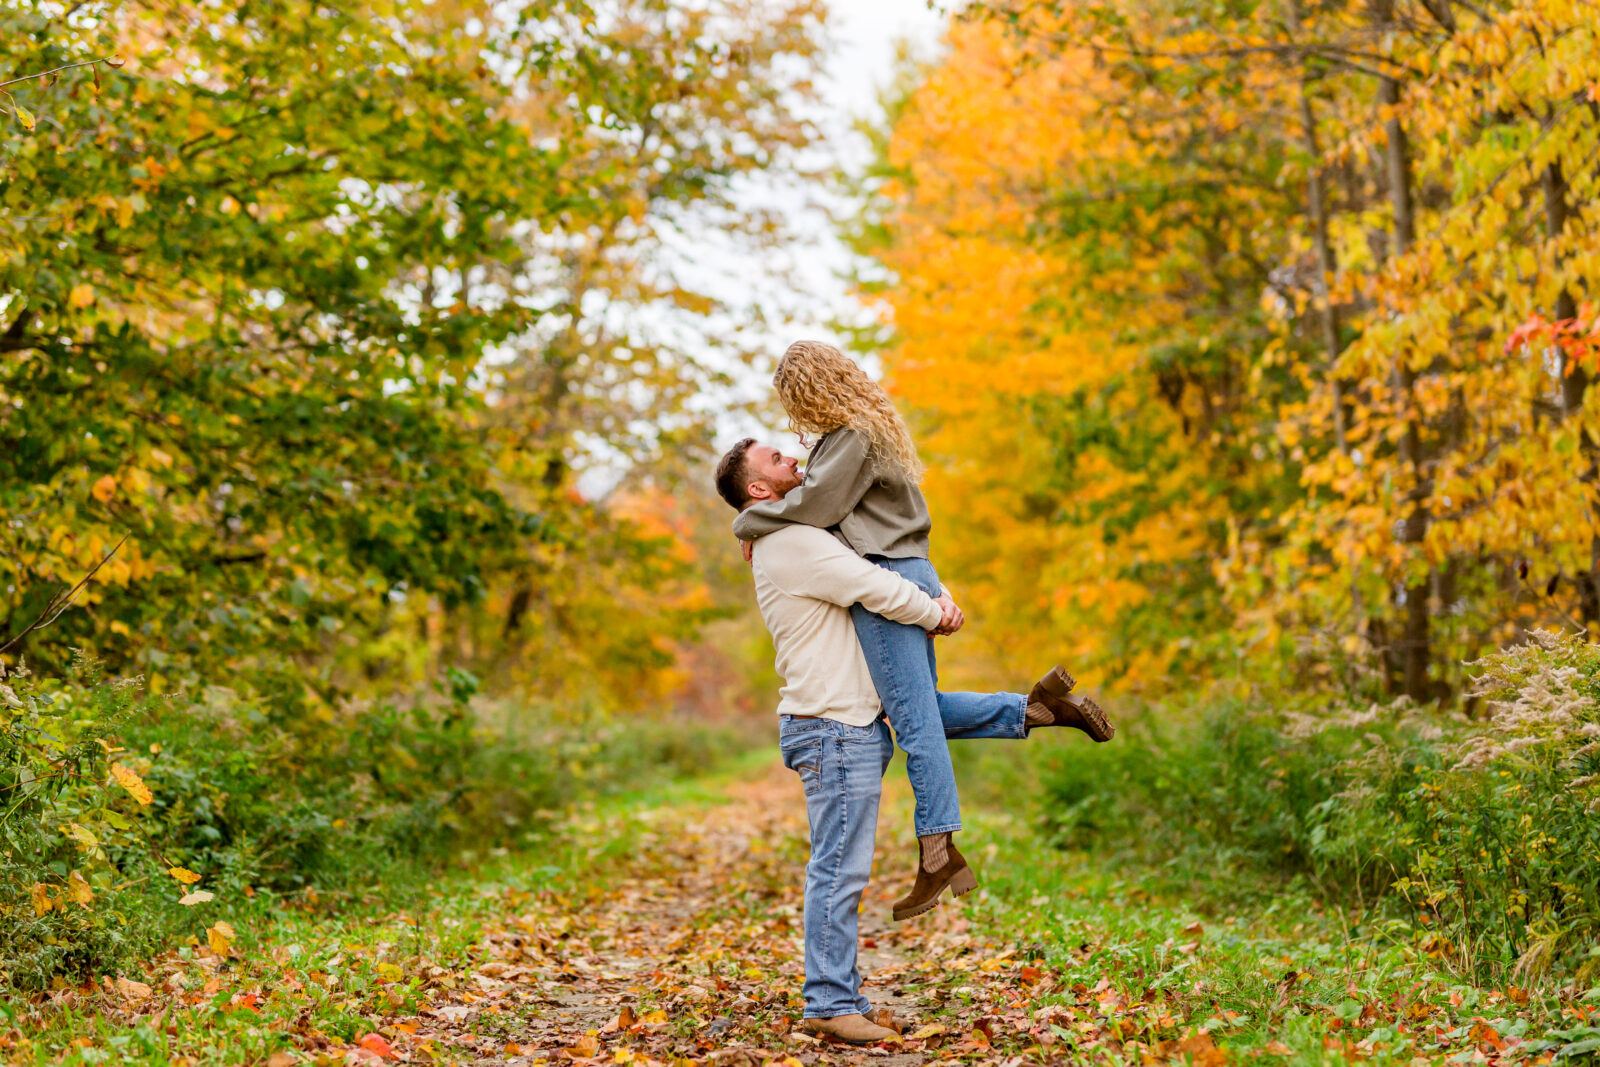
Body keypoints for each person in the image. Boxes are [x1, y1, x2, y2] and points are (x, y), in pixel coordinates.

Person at [714, 437, 1109, 1044]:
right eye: (776, 461)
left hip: (851, 719)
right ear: (759, 490)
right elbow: (872, 584)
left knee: (916, 716)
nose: (792, 461)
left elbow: (885, 551)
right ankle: (828, 1003)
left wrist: (937, 593)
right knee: (839, 870)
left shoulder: (794, 529)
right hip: (832, 727)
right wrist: (937, 613)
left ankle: (1034, 710)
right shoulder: (792, 541)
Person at [731, 341, 1114, 920]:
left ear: (811, 387)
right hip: (904, 566)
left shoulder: (853, 436)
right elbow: (827, 506)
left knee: (911, 720)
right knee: (920, 706)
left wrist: (749, 520)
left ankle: (938, 848)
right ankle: (1035, 711)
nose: (795, 420)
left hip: (889, 574)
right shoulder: (855, 433)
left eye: (796, 401)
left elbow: (818, 505)